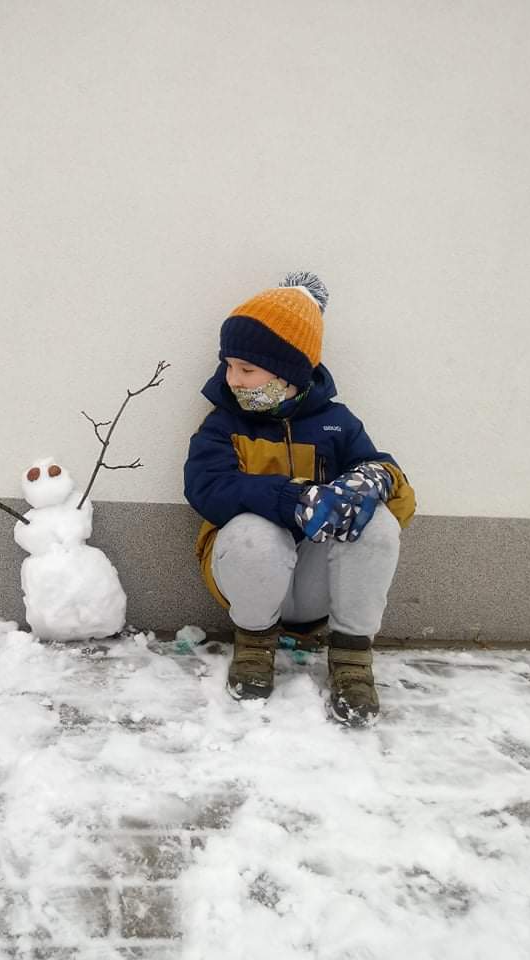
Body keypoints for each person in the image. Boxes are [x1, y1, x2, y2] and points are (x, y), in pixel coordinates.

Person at [183, 271, 416, 725]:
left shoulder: (337, 424)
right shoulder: (224, 423)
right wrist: (293, 500)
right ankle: (253, 648)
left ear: (289, 371)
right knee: (255, 530)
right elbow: (205, 487)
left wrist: (375, 479)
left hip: (313, 586)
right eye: (229, 364)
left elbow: (397, 499)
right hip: (247, 578)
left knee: (377, 520)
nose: (233, 379)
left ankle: (351, 659)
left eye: (247, 369)